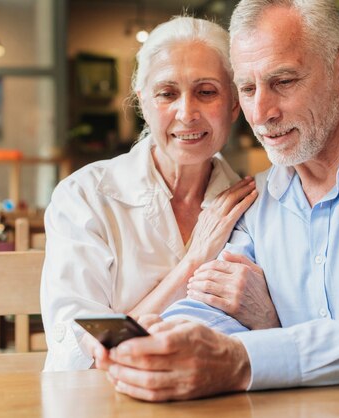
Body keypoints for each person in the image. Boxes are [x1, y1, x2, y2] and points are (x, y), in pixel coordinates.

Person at [95, 0, 339, 401]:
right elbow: (211, 309)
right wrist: (165, 339)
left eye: (283, 82)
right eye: (248, 89)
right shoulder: (256, 196)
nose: (261, 113)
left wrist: (239, 357)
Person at [40, 16, 280, 371]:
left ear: (233, 104)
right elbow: (85, 350)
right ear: (144, 104)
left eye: (206, 91)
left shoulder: (259, 204)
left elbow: (278, 337)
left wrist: (265, 314)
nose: (187, 113)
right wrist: (192, 264)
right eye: (167, 94)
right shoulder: (85, 197)